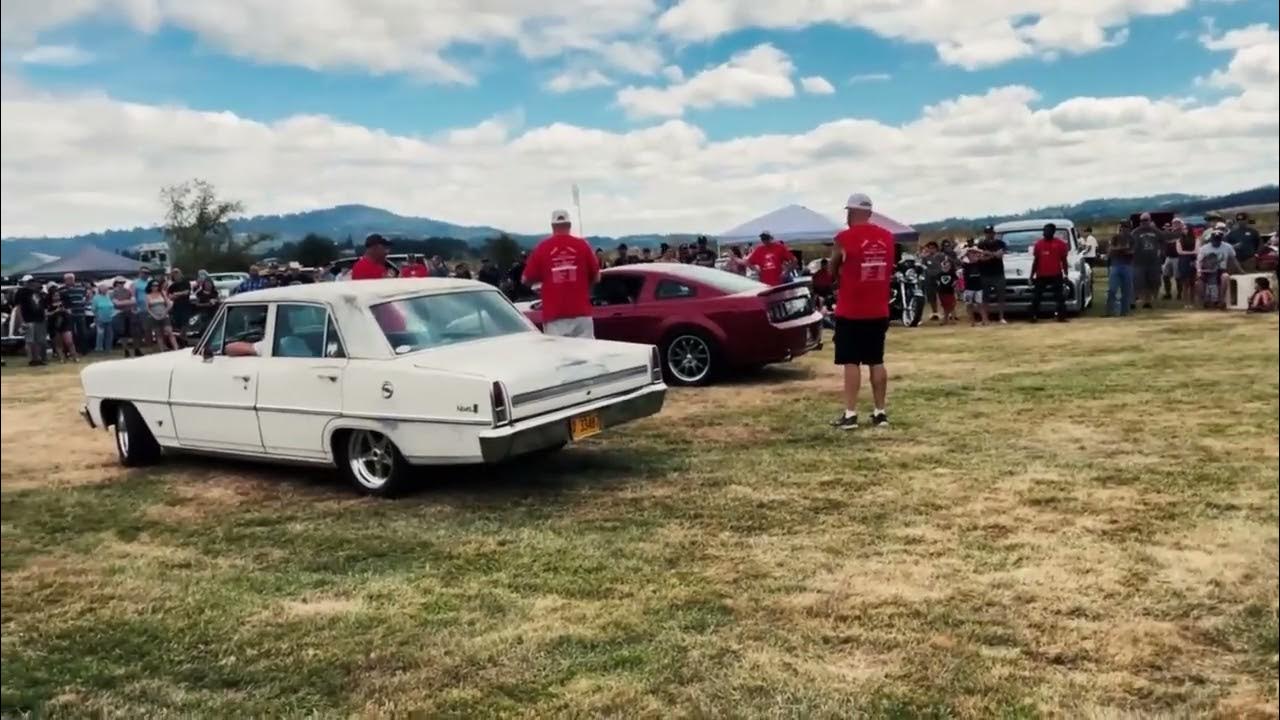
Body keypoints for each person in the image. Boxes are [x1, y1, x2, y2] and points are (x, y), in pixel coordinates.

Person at [829, 193, 895, 430]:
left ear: (851, 212)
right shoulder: (887, 237)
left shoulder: (844, 238)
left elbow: (832, 267)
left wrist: (837, 274)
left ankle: (850, 414)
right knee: (876, 359)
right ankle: (880, 412)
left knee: (851, 361)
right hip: (878, 308)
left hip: (851, 309)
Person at [523, 209, 599, 338]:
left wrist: (540, 286)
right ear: (569, 225)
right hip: (581, 313)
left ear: (552, 226)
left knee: (560, 356)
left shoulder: (542, 248)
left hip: (555, 316)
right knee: (586, 354)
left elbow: (525, 279)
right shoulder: (583, 246)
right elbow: (597, 277)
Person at [1029, 223, 1070, 322]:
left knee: (1059, 297)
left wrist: (1066, 274)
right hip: (1041, 275)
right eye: (1044, 230)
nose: (1045, 232)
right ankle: (1033, 316)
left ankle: (1062, 316)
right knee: (1037, 296)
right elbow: (1036, 261)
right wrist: (1031, 275)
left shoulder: (1060, 244)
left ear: (1053, 232)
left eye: (1047, 230)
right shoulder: (1038, 244)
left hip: (1056, 274)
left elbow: (1064, 261)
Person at [1197, 224, 1244, 309]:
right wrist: (1199, 271)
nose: (1216, 242)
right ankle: (1204, 301)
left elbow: (1233, 259)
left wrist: (1240, 270)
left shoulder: (1227, 246)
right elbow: (1199, 261)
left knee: (1225, 277)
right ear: (1211, 239)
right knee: (1199, 282)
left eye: (1218, 240)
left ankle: (1221, 300)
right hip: (1207, 270)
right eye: (1214, 240)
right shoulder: (1204, 248)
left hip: (1221, 270)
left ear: (1221, 239)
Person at [13, 275, 49, 366]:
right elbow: (18, 307)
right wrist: (21, 321)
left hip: (39, 319)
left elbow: (43, 306)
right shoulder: (21, 292)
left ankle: (37, 358)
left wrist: (44, 317)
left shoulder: (38, 293)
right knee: (30, 340)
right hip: (28, 319)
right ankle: (31, 359)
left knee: (39, 340)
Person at [976, 225, 1008, 324]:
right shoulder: (980, 244)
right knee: (985, 297)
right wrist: (993, 254)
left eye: (991, 232)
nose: (989, 234)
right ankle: (986, 318)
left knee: (1001, 296)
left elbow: (1000, 255)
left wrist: (988, 254)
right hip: (984, 273)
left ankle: (1001, 317)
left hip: (998, 273)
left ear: (994, 233)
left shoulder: (1001, 243)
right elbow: (980, 257)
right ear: (985, 233)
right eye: (987, 232)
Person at [1131, 213, 1163, 309]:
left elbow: (1163, 242)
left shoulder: (1156, 232)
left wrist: (1160, 252)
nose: (1144, 222)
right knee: (1137, 281)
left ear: (1150, 220)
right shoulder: (1135, 232)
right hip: (1138, 261)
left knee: (1150, 282)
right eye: (1142, 220)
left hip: (1153, 261)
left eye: (1146, 220)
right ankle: (1132, 301)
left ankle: (1147, 302)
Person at [1106, 221, 1135, 316]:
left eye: (1126, 227)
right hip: (1116, 265)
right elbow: (1110, 251)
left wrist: (1118, 249)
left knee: (1126, 290)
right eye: (1122, 227)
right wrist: (1123, 249)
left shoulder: (1131, 238)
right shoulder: (1115, 237)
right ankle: (1110, 311)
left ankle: (1124, 312)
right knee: (1112, 289)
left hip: (1127, 265)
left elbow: (1132, 252)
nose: (1124, 229)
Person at [110, 276, 144, 357]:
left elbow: (134, 301)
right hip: (120, 314)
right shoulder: (112, 293)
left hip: (130, 313)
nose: (121, 284)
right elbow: (117, 304)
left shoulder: (128, 291)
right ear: (116, 283)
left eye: (123, 283)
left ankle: (137, 349)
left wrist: (123, 302)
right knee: (123, 334)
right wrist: (128, 302)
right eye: (120, 283)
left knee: (135, 333)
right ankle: (126, 350)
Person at [57, 272, 90, 354]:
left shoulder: (81, 288)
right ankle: (72, 350)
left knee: (82, 332)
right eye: (68, 279)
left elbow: (87, 296)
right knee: (70, 332)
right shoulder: (61, 290)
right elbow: (60, 301)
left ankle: (84, 350)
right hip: (69, 314)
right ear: (65, 280)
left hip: (80, 312)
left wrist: (85, 303)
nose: (70, 280)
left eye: (71, 279)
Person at [144, 280, 180, 351]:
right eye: (154, 285)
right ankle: (162, 350)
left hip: (164, 315)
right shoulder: (148, 296)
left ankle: (176, 348)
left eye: (157, 285)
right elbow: (147, 308)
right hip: (154, 316)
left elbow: (169, 304)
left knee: (169, 331)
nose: (155, 287)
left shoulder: (162, 293)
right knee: (158, 334)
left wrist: (165, 313)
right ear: (150, 287)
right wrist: (154, 316)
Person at [46, 286, 78, 362]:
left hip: (65, 323)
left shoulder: (64, 303)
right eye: (54, 296)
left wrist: (64, 310)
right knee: (58, 342)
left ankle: (75, 357)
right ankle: (61, 358)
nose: (57, 297)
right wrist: (55, 311)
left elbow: (70, 312)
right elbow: (46, 314)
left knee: (69, 341)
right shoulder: (48, 304)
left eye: (58, 295)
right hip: (53, 324)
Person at [961, 245, 989, 326]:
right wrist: (967, 251)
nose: (973, 255)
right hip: (968, 287)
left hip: (978, 287)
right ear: (968, 256)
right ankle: (972, 321)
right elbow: (959, 259)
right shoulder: (965, 264)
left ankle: (984, 320)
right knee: (969, 304)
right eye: (971, 254)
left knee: (980, 304)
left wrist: (977, 251)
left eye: (974, 254)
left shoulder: (980, 263)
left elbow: (985, 255)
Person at [166, 268, 192, 346]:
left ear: (180, 273)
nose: (176, 274)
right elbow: (170, 296)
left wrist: (176, 294)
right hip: (176, 307)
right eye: (174, 273)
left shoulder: (186, 282)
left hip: (185, 306)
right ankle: (181, 341)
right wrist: (180, 294)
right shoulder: (172, 285)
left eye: (177, 273)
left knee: (185, 324)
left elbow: (187, 292)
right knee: (178, 325)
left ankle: (184, 340)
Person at [919, 241, 944, 322]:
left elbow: (946, 264)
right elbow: (922, 265)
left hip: (940, 277)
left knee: (943, 295)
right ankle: (935, 312)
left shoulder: (941, 256)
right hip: (929, 278)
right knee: (931, 296)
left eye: (933, 248)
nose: (931, 250)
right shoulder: (926, 257)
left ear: (936, 248)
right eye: (929, 248)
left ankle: (946, 312)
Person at [92, 284, 116, 353]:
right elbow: (93, 309)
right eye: (104, 289)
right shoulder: (96, 298)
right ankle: (99, 348)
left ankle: (108, 348)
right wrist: (97, 316)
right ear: (100, 290)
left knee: (109, 334)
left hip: (110, 318)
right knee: (100, 334)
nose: (105, 290)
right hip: (100, 319)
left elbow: (113, 306)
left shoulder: (109, 297)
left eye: (106, 289)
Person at [936, 255, 958, 325]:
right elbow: (937, 282)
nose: (946, 267)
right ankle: (946, 319)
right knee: (945, 306)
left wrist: (954, 284)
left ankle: (952, 319)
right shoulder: (939, 274)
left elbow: (956, 280)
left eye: (947, 266)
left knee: (951, 305)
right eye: (944, 266)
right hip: (942, 292)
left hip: (950, 291)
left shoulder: (952, 273)